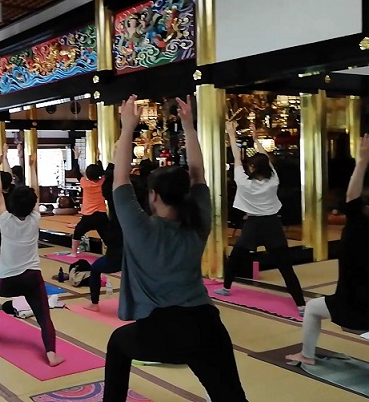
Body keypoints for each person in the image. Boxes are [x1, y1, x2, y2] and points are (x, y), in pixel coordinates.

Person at [103, 95, 247, 402]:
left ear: (153, 196)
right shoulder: (199, 222)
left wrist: (128, 126)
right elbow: (198, 173)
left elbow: (120, 176)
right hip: (207, 324)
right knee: (231, 397)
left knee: (118, 344)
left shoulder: (140, 228)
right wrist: (188, 126)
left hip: (162, 331)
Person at [286, 129, 369, 365]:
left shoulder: (358, 230)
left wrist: (362, 161)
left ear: (367, 210)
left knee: (312, 309)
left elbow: (352, 195)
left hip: (353, 307)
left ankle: (307, 356)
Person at [0, 151, 65, 367]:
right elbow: (33, 191)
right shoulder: (35, 218)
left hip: (9, 281)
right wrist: (33, 166)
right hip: (33, 278)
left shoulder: (5, 219)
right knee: (44, 318)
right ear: (32, 204)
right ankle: (52, 354)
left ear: (11, 203)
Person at [214, 121, 306, 314]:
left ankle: (226, 288)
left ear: (253, 168)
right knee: (285, 267)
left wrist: (231, 134)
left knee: (235, 258)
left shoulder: (243, 182)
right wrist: (256, 139)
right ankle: (301, 305)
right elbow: (265, 157)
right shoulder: (274, 181)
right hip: (273, 224)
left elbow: (237, 158)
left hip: (254, 225)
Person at [84, 152, 152, 312]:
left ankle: (94, 304)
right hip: (141, 249)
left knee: (95, 268)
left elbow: (108, 186)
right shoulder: (145, 200)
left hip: (119, 248)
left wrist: (114, 163)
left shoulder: (118, 203)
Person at [69, 147, 110, 256]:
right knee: (107, 236)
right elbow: (103, 172)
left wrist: (76, 157)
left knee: (78, 232)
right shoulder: (103, 182)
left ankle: (73, 253)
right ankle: (112, 254)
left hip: (88, 215)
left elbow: (76, 172)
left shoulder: (85, 184)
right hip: (101, 214)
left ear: (87, 175)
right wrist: (98, 158)